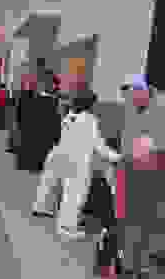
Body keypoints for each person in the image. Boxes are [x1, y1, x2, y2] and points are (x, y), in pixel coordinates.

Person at [32, 89, 122, 240]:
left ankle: (59, 218)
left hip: (64, 157)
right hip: (78, 162)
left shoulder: (70, 116)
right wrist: (118, 157)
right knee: (75, 195)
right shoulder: (90, 120)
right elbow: (99, 146)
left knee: (64, 191)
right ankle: (67, 227)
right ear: (90, 104)